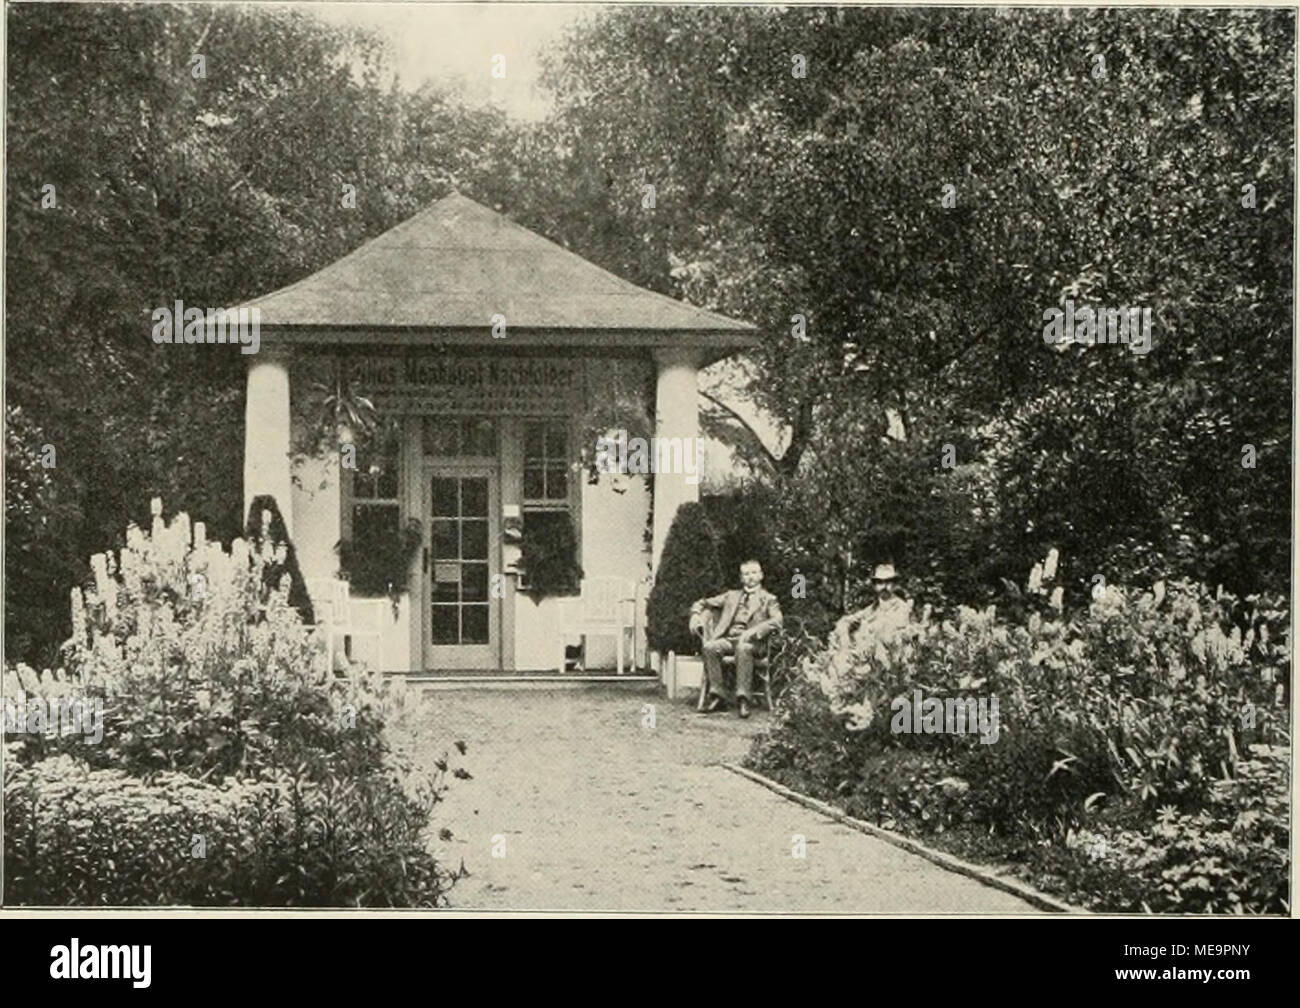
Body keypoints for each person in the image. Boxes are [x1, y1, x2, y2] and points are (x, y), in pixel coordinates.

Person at [690, 559, 783, 719]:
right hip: (730, 639)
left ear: (761, 575)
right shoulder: (731, 596)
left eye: (754, 573)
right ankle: (718, 696)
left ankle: (743, 699)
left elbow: (777, 621)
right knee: (710, 648)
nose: (750, 577)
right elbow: (703, 602)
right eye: (746, 574)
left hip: (753, 643)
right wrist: (695, 615)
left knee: (743, 648)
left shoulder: (768, 599)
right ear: (741, 578)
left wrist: (755, 631)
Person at [830, 563, 911, 653]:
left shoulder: (902, 608)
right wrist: (845, 642)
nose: (884, 587)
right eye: (880, 582)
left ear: (894, 584)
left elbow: (893, 638)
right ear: (874, 586)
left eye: (888, 582)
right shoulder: (872, 609)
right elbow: (845, 621)